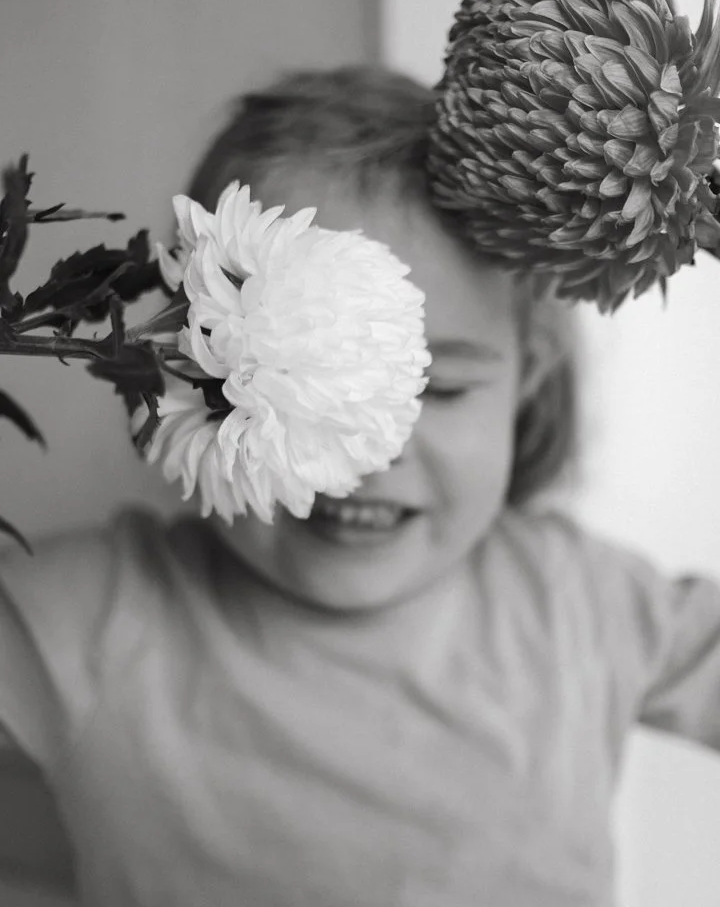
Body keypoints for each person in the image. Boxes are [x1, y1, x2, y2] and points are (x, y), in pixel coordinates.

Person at [0, 65, 718, 907]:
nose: (367, 453)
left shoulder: (588, 606)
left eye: (440, 390)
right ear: (179, 367)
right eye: (291, 377)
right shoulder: (82, 617)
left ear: (530, 383)